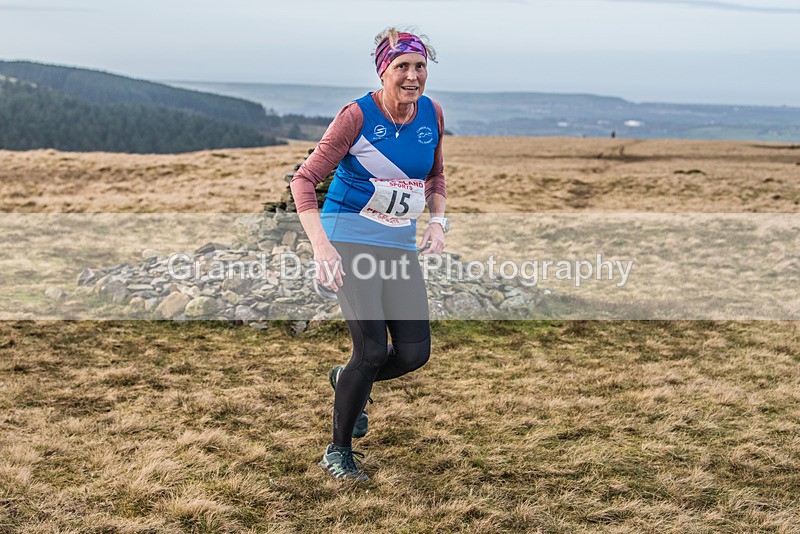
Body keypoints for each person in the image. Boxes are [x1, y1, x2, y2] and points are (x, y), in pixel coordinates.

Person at [289, 27, 448, 482]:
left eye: (420, 67)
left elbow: (434, 176)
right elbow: (303, 181)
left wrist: (438, 221)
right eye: (402, 67)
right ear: (384, 70)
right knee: (373, 348)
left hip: (397, 244)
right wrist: (322, 247)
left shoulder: (431, 114)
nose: (412, 76)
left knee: (415, 353)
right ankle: (338, 451)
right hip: (349, 239)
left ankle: (347, 383)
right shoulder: (355, 116)